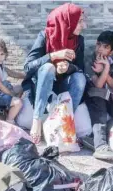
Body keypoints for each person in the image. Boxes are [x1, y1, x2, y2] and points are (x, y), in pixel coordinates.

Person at [22, 3, 87, 144]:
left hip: (63, 86)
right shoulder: (45, 36)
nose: (84, 26)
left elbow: (81, 69)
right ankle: (37, 120)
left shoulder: (78, 40)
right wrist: (53, 56)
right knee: (47, 68)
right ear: (67, 21)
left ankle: (64, 121)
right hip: (42, 86)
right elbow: (27, 67)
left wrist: (68, 67)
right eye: (80, 21)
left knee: (80, 78)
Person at [80, 31, 113, 159]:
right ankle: (100, 146)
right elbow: (98, 84)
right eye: (99, 45)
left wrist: (106, 68)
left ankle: (92, 139)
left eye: (105, 47)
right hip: (94, 96)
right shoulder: (89, 60)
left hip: (111, 96)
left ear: (111, 52)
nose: (100, 49)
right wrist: (105, 70)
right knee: (100, 107)